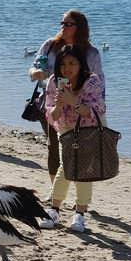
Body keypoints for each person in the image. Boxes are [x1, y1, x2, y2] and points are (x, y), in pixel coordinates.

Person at [29, 10, 105, 184]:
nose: (63, 27)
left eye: (68, 24)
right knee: (54, 148)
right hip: (51, 102)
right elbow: (32, 69)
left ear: (80, 28)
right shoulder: (50, 45)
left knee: (81, 151)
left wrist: (98, 109)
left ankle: (77, 193)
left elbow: (100, 82)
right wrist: (37, 73)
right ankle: (54, 190)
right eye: (62, 23)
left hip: (81, 107)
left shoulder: (90, 53)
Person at [39, 44, 106, 234]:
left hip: (90, 126)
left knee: (83, 170)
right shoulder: (54, 81)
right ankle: (54, 210)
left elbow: (94, 112)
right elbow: (51, 114)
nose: (67, 68)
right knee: (66, 165)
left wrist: (73, 102)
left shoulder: (91, 81)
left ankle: (80, 214)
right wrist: (59, 106)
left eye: (72, 63)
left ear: (81, 64)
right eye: (63, 64)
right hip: (67, 125)